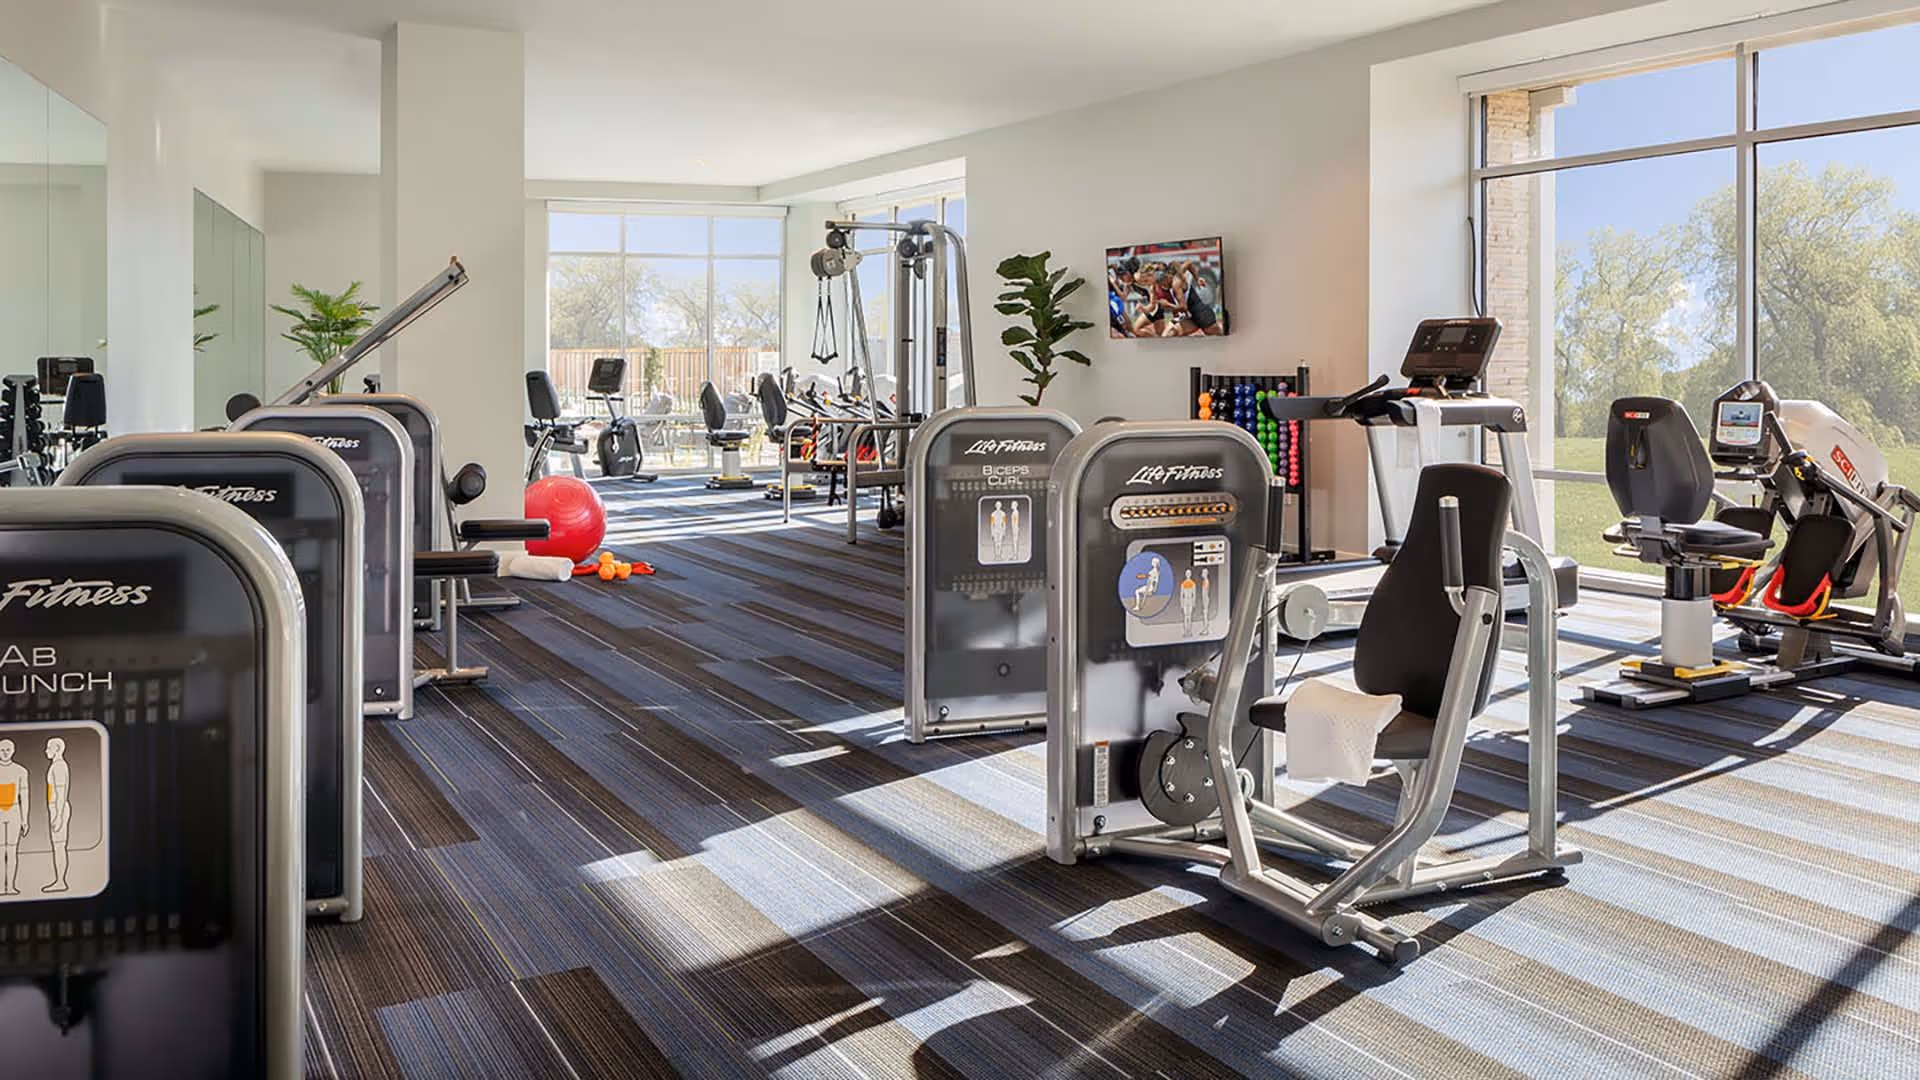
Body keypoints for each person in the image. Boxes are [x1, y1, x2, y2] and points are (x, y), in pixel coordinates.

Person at [0, 740, 26, 896]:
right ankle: (1, 888)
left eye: (8, 749)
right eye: (2, 749)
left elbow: (25, 796)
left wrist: (25, 819)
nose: (5, 752)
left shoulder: (20, 771)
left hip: (15, 811)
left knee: (12, 851)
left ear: (13, 750)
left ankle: (10, 886)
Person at [44, 737, 69, 894]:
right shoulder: (56, 766)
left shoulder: (58, 767)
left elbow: (61, 793)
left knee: (59, 847)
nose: (46, 751)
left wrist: (58, 816)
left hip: (58, 809)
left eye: (49, 748)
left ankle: (60, 881)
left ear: (57, 749)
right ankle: (59, 880)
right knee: (58, 846)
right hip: (56, 808)